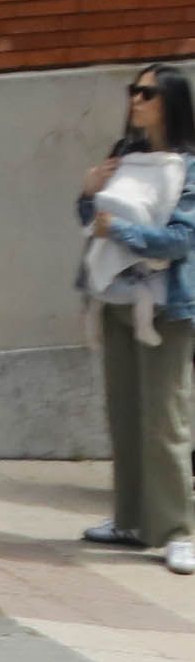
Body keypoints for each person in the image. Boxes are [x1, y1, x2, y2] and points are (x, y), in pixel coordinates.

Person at [80, 62, 195, 572]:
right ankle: (130, 521)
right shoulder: (122, 154)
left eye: (146, 92)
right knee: (124, 416)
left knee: (165, 421)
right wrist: (87, 192)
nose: (135, 100)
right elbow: (90, 221)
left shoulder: (189, 166)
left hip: (166, 306)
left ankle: (178, 530)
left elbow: (180, 240)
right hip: (118, 302)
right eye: (133, 91)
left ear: (169, 101)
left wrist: (120, 231)